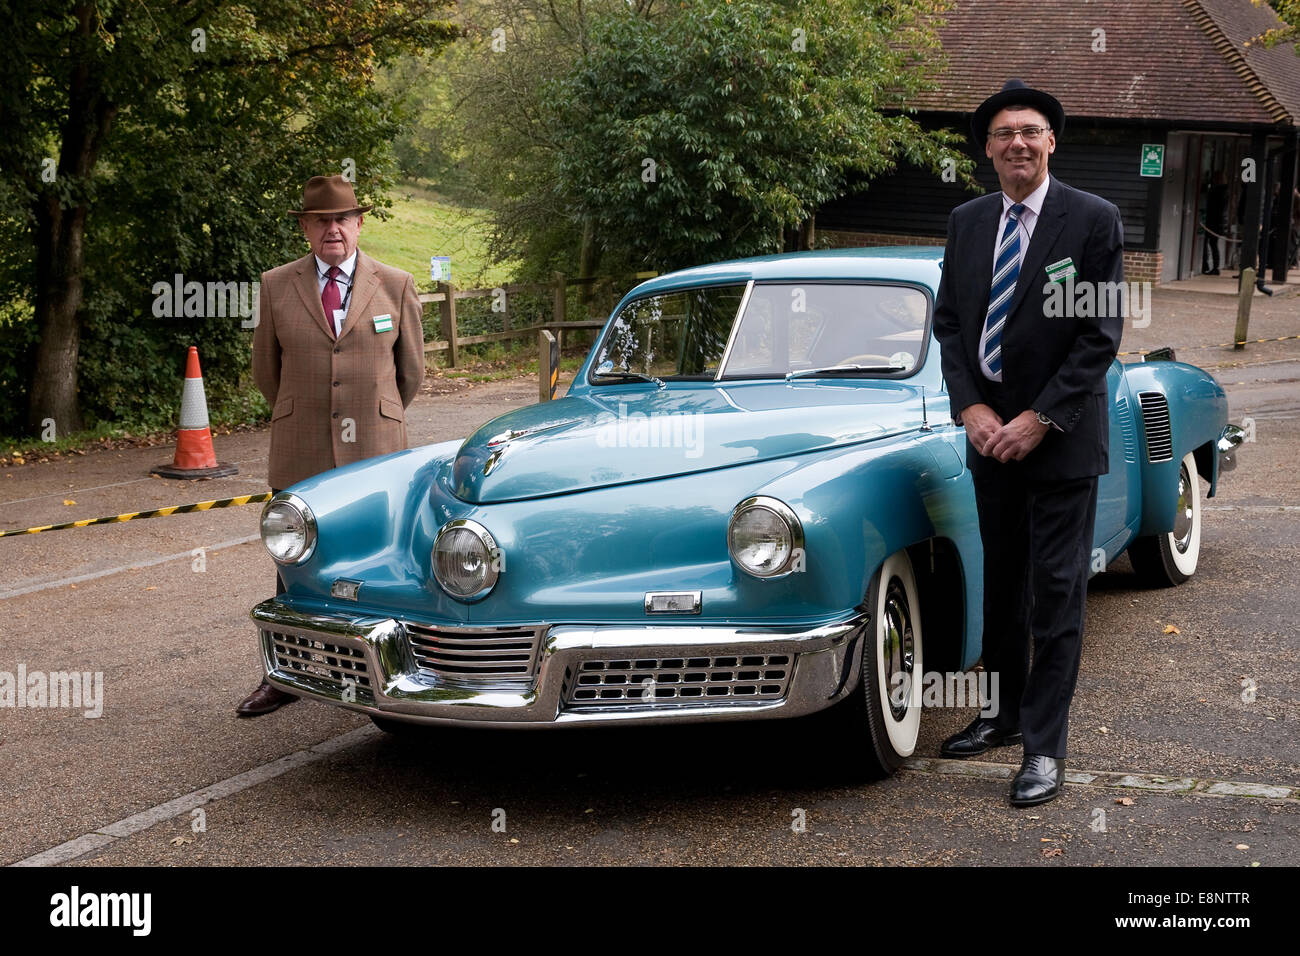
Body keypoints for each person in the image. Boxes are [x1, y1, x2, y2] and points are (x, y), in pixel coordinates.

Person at [931, 79, 1124, 806]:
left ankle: (1044, 748)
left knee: (1055, 595)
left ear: (1051, 142)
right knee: (1003, 587)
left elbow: (1099, 335)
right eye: (1004, 132)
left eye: (1031, 131)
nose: (1018, 142)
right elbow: (950, 325)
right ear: (987, 148)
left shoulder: (1093, 219)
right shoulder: (969, 222)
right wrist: (972, 407)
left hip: (1060, 443)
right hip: (989, 440)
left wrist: (1040, 418)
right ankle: (1004, 715)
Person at [236, 175, 427, 716]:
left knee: (378, 559)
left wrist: (374, 414)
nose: (333, 229)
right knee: (292, 561)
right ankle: (286, 676)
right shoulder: (276, 285)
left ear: (359, 223)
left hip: (376, 446)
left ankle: (382, 673)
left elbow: (410, 373)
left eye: (342, 218)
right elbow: (266, 371)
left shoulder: (396, 283)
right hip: (301, 446)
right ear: (305, 228)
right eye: (321, 220)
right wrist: (307, 413)